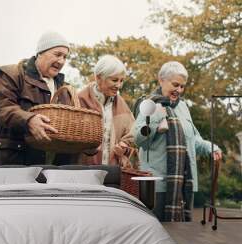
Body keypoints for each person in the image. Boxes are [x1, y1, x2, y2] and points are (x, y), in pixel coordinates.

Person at [132, 61, 222, 222]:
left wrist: (212, 147)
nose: (179, 90)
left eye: (182, 86)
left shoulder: (183, 107)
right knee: (159, 235)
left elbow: (194, 140)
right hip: (158, 186)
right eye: (175, 84)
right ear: (161, 80)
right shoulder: (150, 105)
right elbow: (138, 139)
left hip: (183, 184)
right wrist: (156, 121)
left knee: (182, 236)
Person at [0, 31, 77, 165]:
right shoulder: (12, 74)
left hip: (53, 171)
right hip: (14, 165)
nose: (61, 61)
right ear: (40, 53)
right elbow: (1, 108)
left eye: (65, 57)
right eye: (57, 54)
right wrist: (28, 120)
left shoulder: (66, 89)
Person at [77, 55, 135, 166]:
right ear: (99, 78)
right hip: (84, 170)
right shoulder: (80, 99)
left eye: (121, 80)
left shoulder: (121, 104)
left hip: (112, 172)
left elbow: (133, 133)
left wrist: (124, 146)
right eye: (114, 80)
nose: (119, 85)